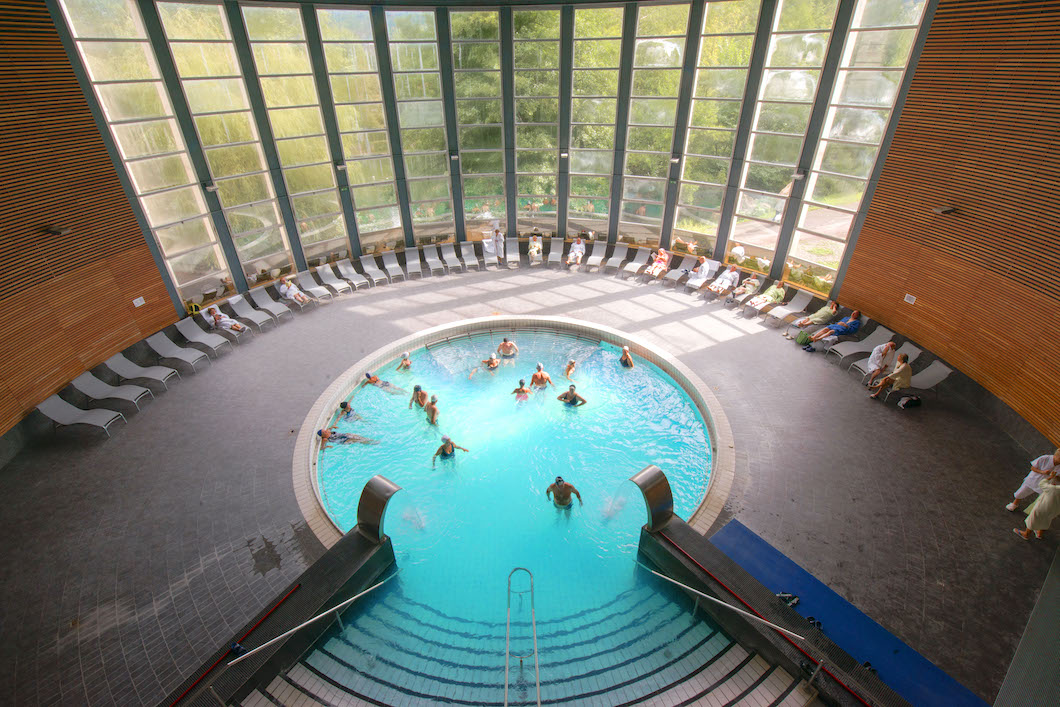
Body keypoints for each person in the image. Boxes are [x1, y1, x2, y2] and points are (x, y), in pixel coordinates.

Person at [1014, 469, 1060, 540]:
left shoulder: (1054, 489)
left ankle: (1026, 534)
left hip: (1043, 507)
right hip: (1055, 510)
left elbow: (1042, 483)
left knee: (1033, 518)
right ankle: (1039, 533)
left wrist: (1050, 477)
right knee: (1047, 519)